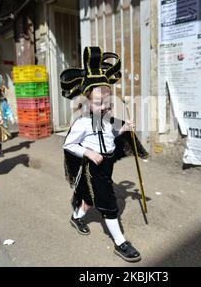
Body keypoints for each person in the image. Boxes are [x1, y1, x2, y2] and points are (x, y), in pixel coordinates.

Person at [61, 46, 148, 263]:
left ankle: (76, 216)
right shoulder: (82, 122)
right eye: (100, 103)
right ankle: (120, 243)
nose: (105, 106)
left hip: (107, 164)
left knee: (89, 199)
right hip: (93, 166)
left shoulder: (108, 119)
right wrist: (88, 152)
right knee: (109, 203)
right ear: (87, 101)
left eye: (108, 102)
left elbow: (110, 135)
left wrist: (124, 128)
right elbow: (69, 144)